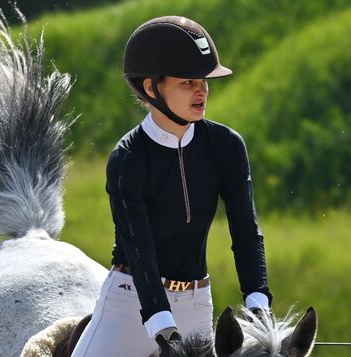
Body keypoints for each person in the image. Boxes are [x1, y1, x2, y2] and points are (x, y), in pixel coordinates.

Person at [72, 15, 272, 356]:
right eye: (188, 82)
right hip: (130, 303)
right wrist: (162, 326)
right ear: (151, 88)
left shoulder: (227, 146)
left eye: (204, 81)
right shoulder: (127, 159)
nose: (202, 91)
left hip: (197, 303)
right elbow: (140, 251)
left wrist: (258, 305)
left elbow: (246, 231)